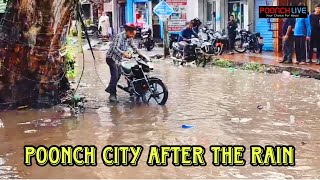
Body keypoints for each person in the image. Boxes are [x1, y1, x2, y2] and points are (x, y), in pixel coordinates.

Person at [105, 23, 140, 102]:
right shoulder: (119, 37)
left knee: (120, 74)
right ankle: (112, 95)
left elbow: (134, 47)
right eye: (131, 34)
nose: (132, 36)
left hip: (118, 59)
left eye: (133, 35)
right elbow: (114, 48)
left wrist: (141, 54)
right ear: (127, 31)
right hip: (111, 58)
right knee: (115, 75)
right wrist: (123, 53)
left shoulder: (129, 38)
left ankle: (110, 88)